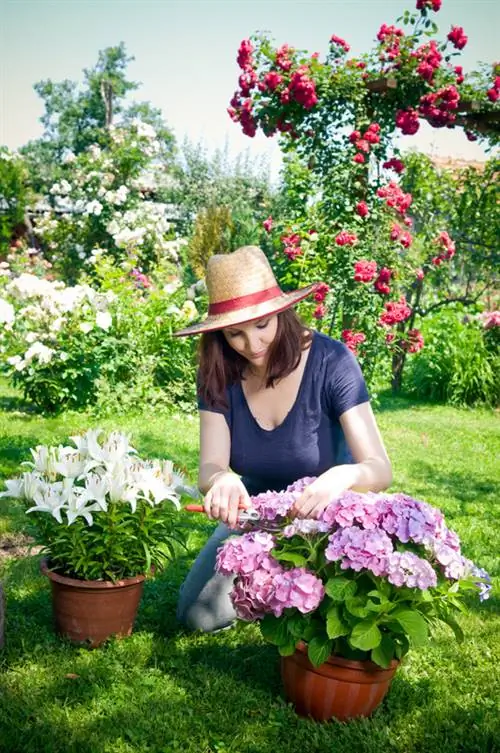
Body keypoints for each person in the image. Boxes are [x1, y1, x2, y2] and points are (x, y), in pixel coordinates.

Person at [174, 245, 392, 632]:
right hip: (255, 517)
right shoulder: (218, 371)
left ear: (281, 311)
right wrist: (221, 480)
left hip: (325, 517)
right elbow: (210, 465)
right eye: (234, 333)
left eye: (261, 325)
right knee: (197, 617)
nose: (252, 345)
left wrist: (342, 476)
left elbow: (379, 468)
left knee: (323, 612)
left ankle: (285, 589)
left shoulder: (332, 361)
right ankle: (273, 585)